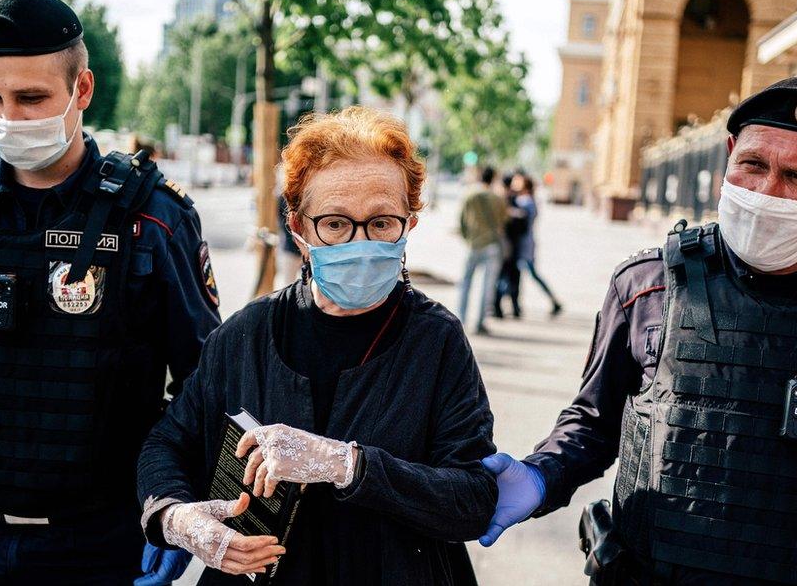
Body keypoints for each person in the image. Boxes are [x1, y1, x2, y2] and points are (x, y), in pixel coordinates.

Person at [479, 76, 797, 585]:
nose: (766, 192)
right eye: (753, 165)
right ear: (727, 155)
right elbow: (593, 423)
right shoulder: (648, 285)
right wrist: (542, 475)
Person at [0, 0, 220, 584]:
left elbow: (204, 383)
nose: (8, 116)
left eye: (31, 97)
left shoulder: (151, 219)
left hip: (96, 539)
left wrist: (176, 501)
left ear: (81, 91)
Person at [137, 107, 498, 585]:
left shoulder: (436, 341)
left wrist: (347, 464)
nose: (361, 242)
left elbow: (473, 499)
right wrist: (175, 517)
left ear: (409, 224)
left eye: (382, 223)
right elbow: (167, 442)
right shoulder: (245, 335)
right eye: (335, 224)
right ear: (298, 228)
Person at [457, 166, 507, 334]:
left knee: (465, 283)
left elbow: (462, 220)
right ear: (493, 179)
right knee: (487, 286)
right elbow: (502, 222)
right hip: (492, 245)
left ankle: (461, 320)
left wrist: (467, 237)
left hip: (473, 245)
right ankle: (480, 322)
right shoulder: (498, 198)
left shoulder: (469, 194)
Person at [515, 175, 562, 316]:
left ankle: (554, 300)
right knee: (527, 274)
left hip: (524, 243)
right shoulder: (531, 200)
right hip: (528, 242)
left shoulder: (525, 201)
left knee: (529, 274)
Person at [493, 172, 528, 319]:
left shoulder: (502, 200)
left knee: (505, 276)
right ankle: (506, 307)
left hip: (506, 245)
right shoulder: (511, 201)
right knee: (509, 277)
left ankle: (501, 307)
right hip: (510, 246)